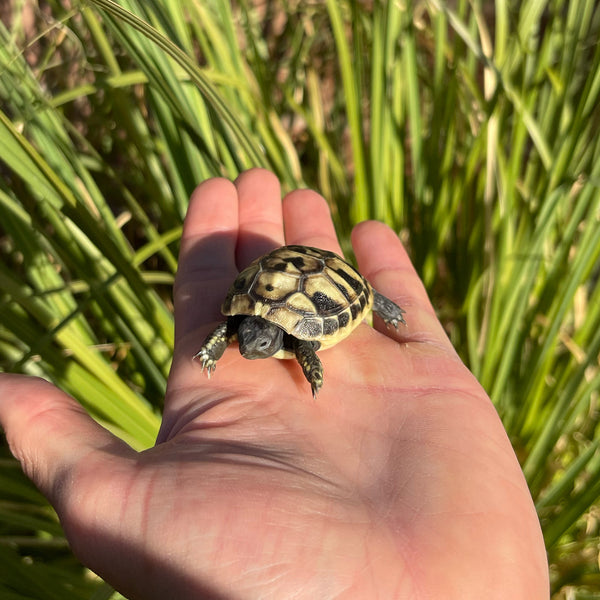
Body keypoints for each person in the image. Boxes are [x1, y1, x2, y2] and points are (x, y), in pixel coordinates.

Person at [0, 169, 549, 599]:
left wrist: (311, 368)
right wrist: (215, 347)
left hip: (330, 289)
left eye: (264, 344)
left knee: (348, 312)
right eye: (254, 340)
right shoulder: (243, 329)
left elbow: (302, 341)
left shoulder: (299, 342)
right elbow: (232, 329)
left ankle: (369, 298)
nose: (257, 348)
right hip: (285, 282)